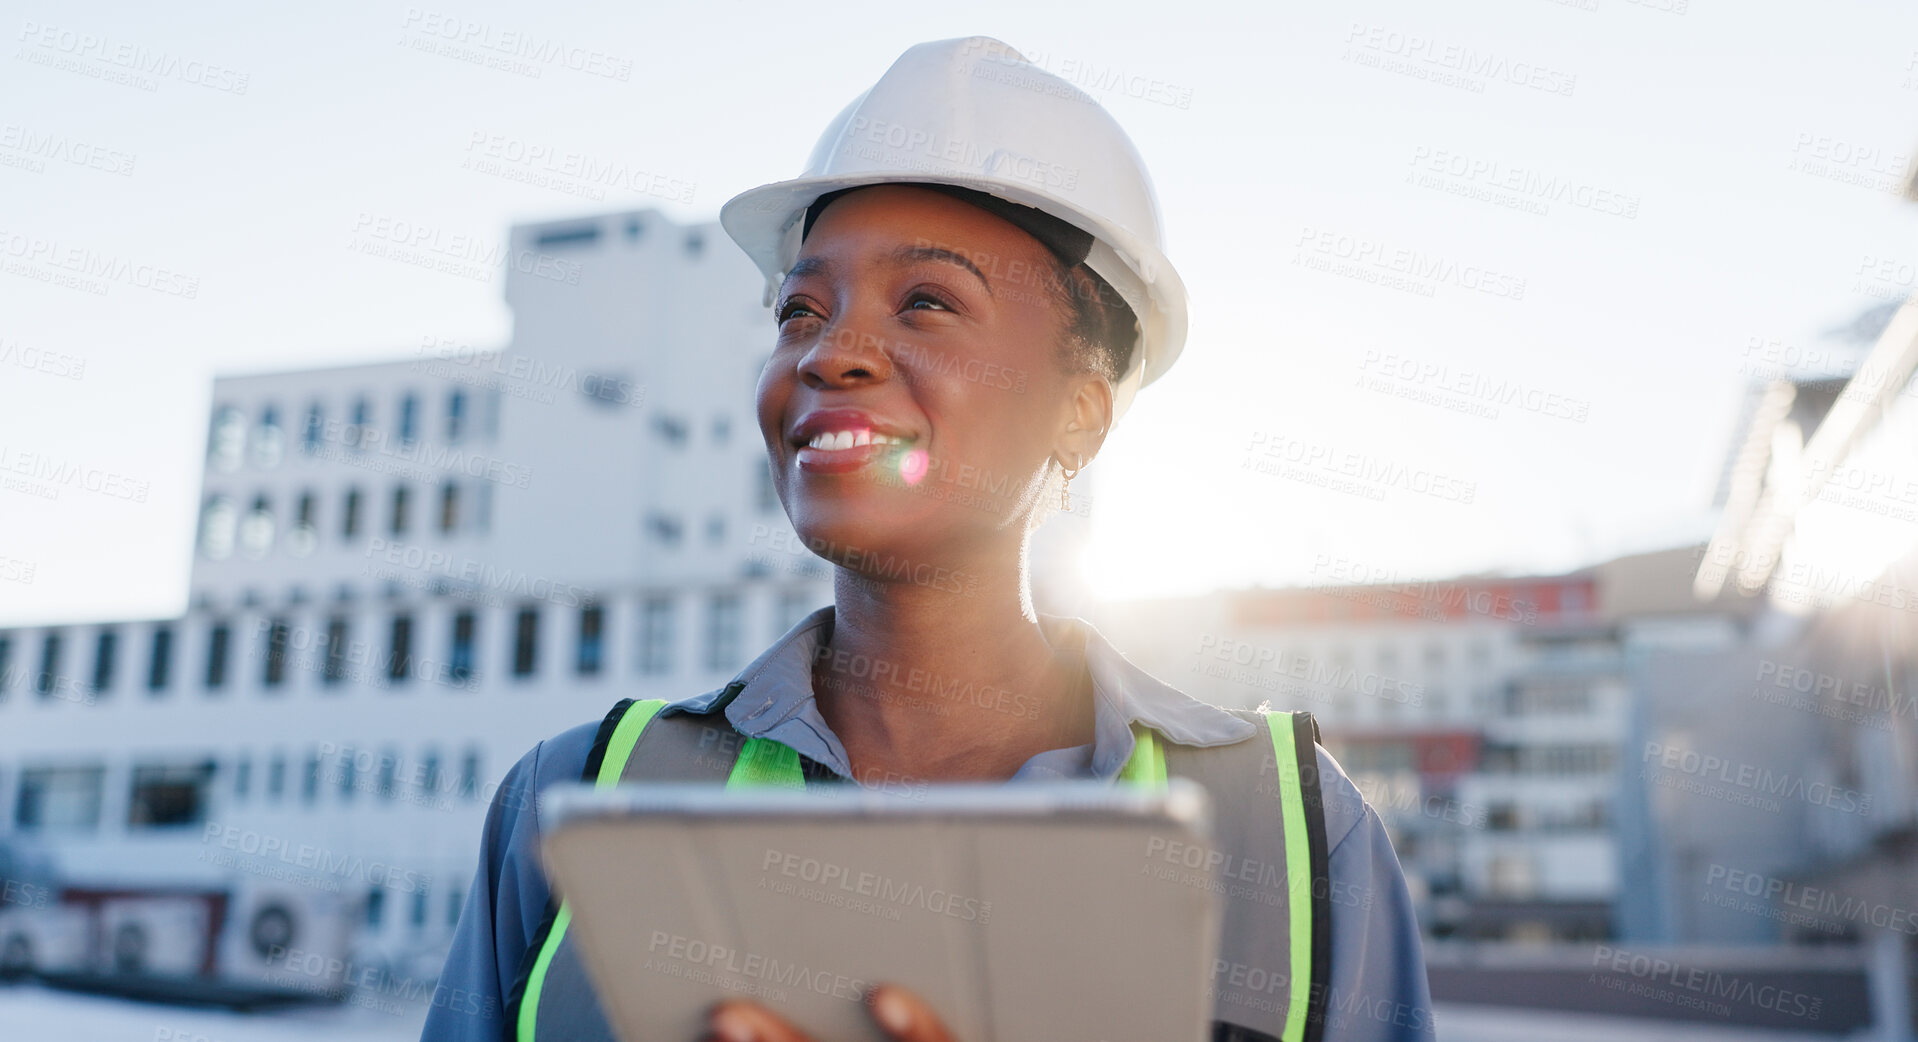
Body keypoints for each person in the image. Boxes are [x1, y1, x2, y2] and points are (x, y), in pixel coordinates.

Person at [422, 36, 1434, 1042]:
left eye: (926, 302)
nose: (832, 353)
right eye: (800, 309)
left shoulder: (1295, 834)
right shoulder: (574, 796)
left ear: (1079, 408)